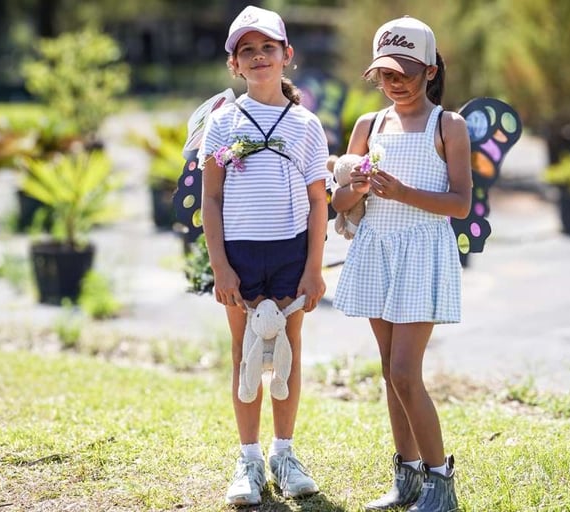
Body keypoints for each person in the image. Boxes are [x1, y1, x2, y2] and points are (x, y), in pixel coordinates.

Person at [332, 15, 471, 512]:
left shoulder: (447, 125)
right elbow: (340, 200)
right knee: (390, 372)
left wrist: (404, 192)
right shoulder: (370, 125)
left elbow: (459, 204)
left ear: (431, 71)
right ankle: (407, 476)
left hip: (422, 253)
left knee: (407, 372)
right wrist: (359, 187)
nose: (393, 85)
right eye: (384, 76)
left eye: (404, 74)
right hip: (376, 248)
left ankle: (441, 483)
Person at [198, 5, 330, 507]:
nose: (258, 58)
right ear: (234, 64)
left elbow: (320, 201)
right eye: (246, 51)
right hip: (240, 255)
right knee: (244, 354)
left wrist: (314, 268)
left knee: (289, 356)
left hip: (291, 254)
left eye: (267, 48)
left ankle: (285, 454)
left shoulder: (306, 125)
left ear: (286, 56)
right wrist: (221, 266)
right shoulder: (221, 123)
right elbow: (211, 199)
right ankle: (248, 460)